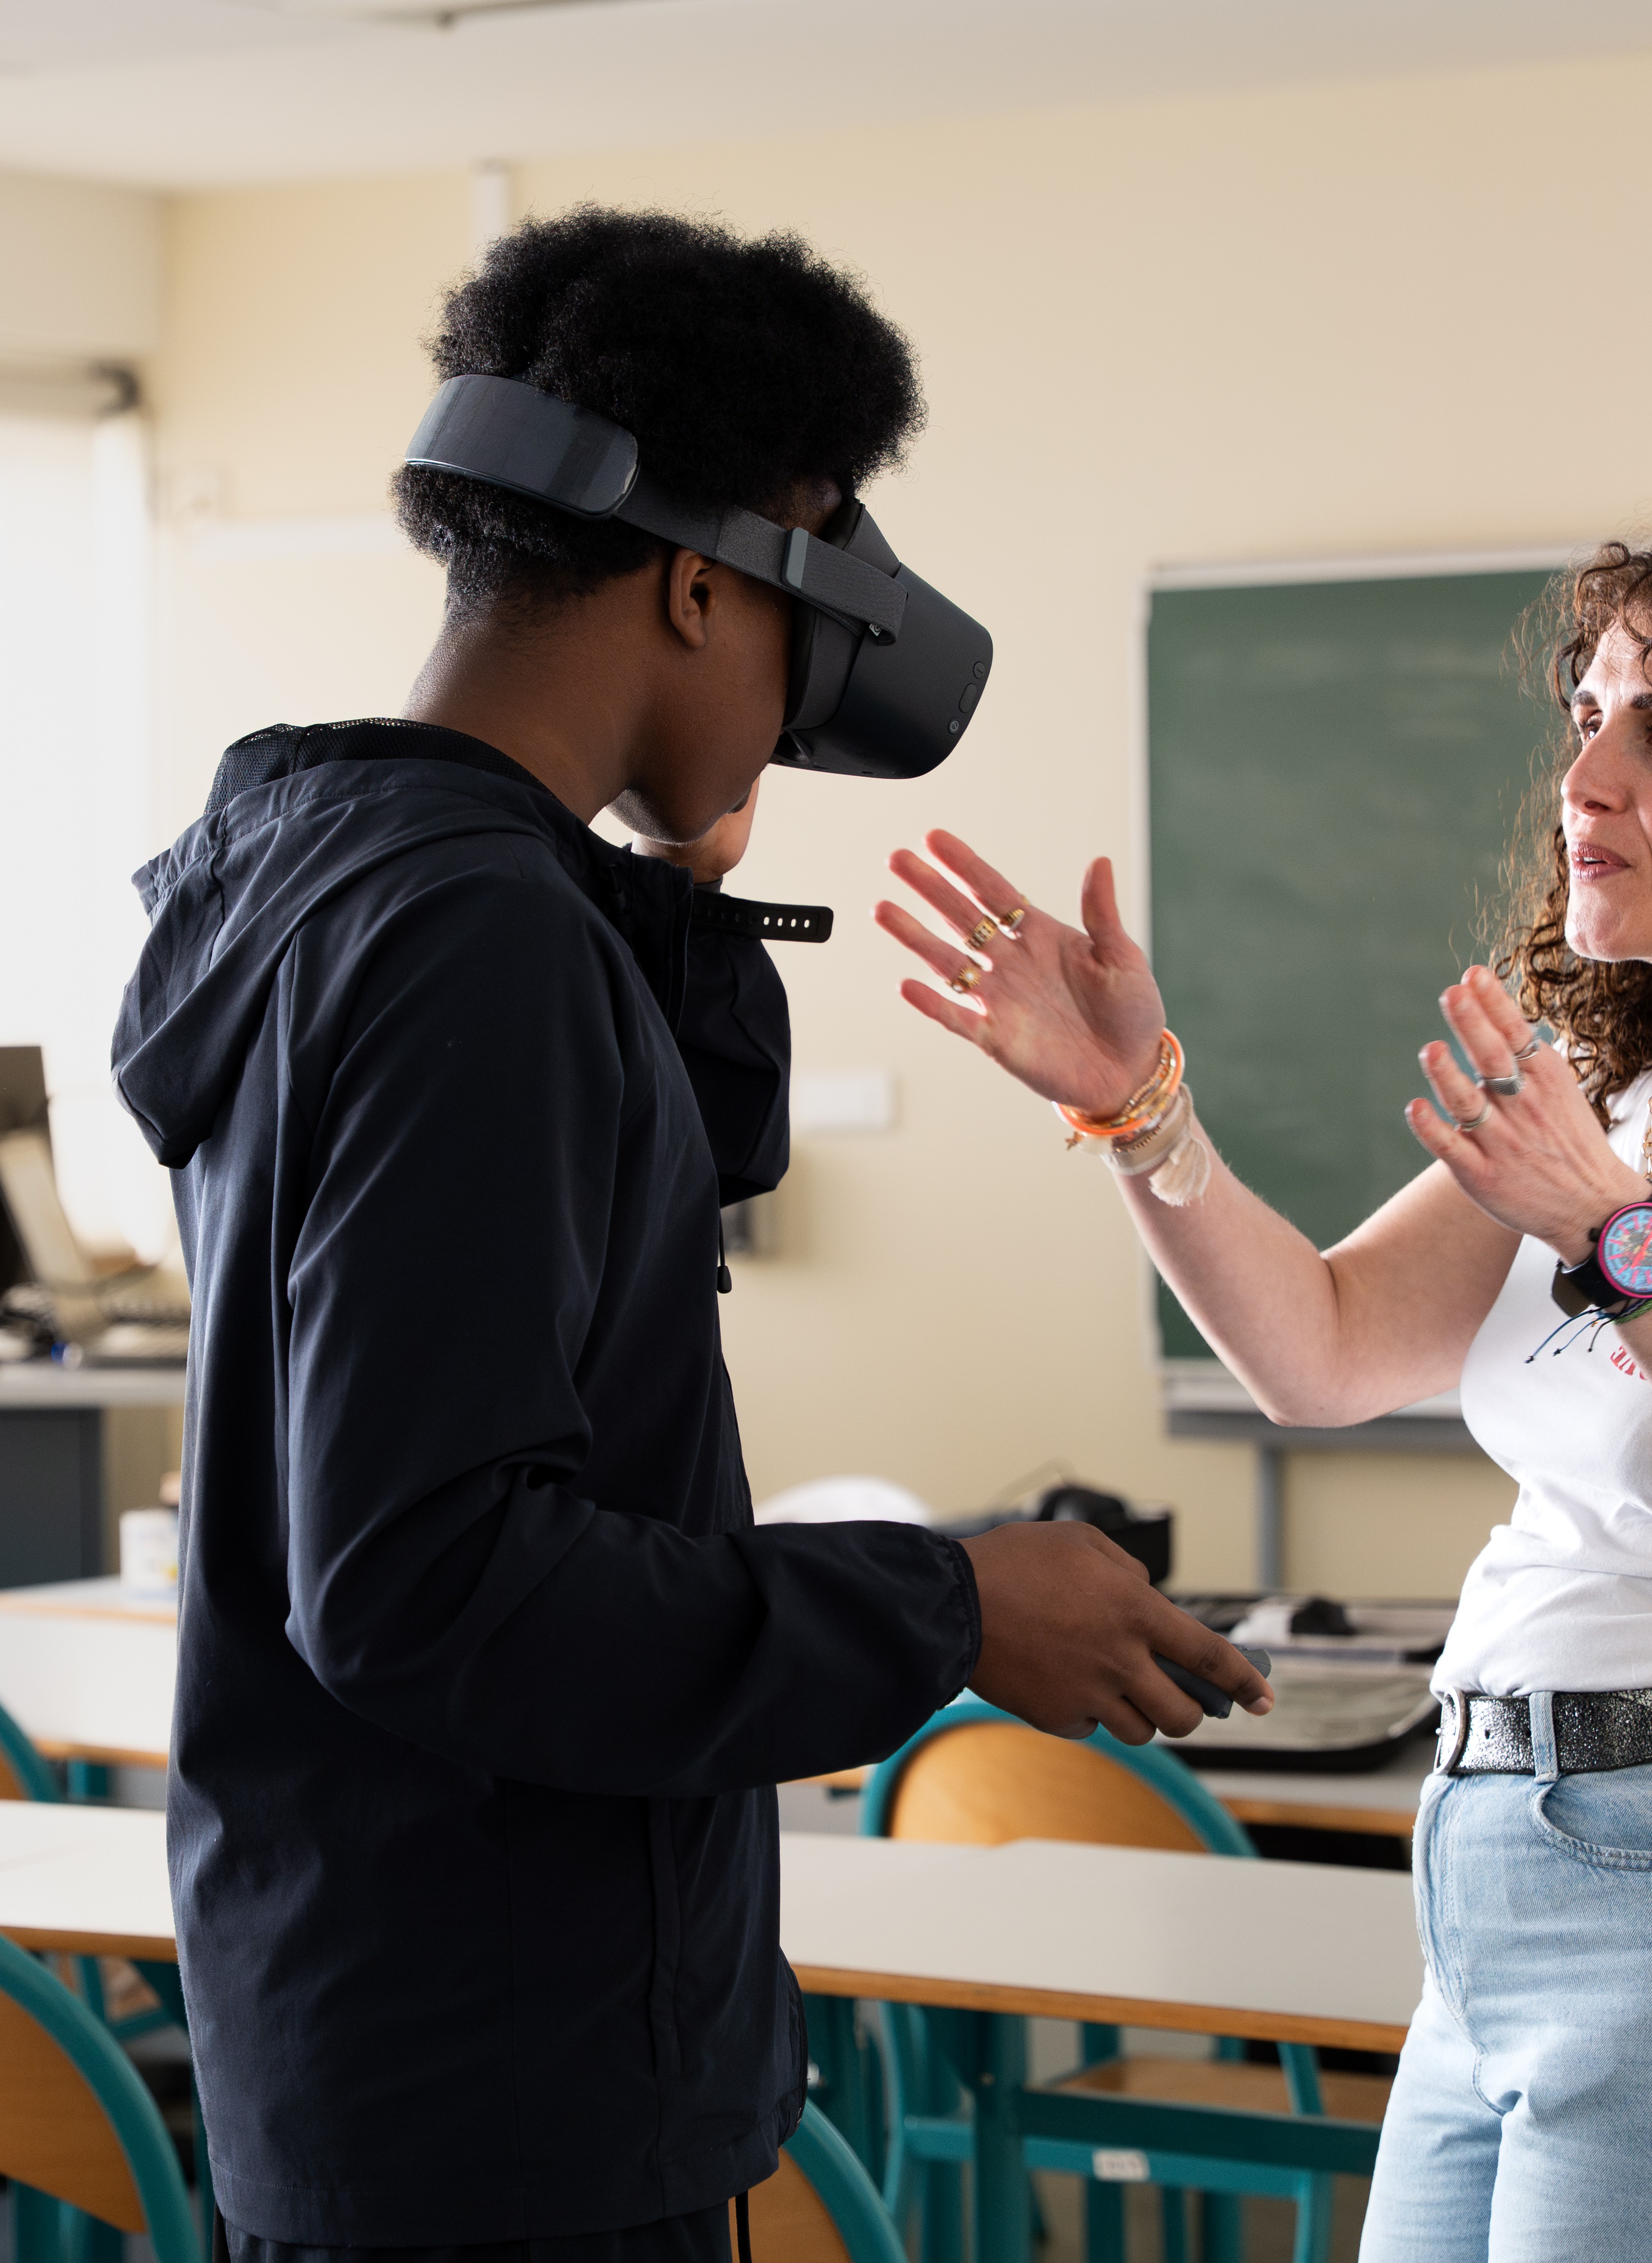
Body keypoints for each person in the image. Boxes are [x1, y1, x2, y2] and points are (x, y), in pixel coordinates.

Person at [111, 208, 1268, 2263]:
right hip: (510, 2088)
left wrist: (675, 870)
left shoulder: (340, 869)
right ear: (698, 580)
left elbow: (644, 1189)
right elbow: (430, 1580)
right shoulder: (478, 937)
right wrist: (945, 1607)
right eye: (798, 597)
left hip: (380, 2023)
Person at [877, 525, 1652, 2260]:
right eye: (1585, 719)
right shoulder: (1605, 1095)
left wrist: (1620, 1235)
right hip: (1500, 1895)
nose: (1585, 778)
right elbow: (1316, 1348)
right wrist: (1140, 1113)